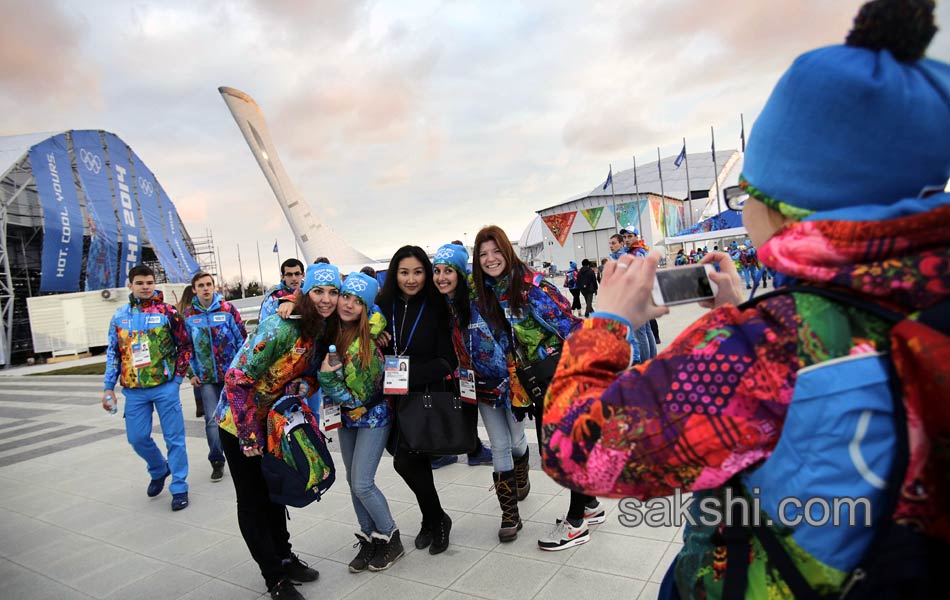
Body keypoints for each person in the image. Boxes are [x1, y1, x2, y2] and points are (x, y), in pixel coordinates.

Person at [543, 2, 949, 597]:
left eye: (748, 188)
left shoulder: (768, 346)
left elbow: (579, 451)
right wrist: (742, 315)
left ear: (784, 199)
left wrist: (607, 323)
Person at [470, 226, 606, 552]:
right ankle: (590, 504)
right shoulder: (494, 290)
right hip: (538, 380)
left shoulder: (530, 288)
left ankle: (576, 525)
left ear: (508, 252)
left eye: (496, 251)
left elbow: (570, 326)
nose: (490, 259)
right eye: (483, 254)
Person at [218, 263, 340, 599]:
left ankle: (284, 557)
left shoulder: (323, 332)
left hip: (276, 424)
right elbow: (236, 379)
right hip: (239, 424)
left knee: (276, 492)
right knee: (254, 499)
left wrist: (302, 385)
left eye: (333, 292)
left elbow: (311, 379)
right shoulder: (280, 327)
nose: (326, 299)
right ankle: (274, 578)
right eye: (318, 291)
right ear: (304, 292)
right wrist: (248, 434)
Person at [433, 242, 528, 542]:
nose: (441, 277)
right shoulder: (442, 307)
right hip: (480, 387)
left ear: (463, 274)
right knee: (499, 445)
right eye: (437, 271)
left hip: (509, 383)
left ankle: (522, 472)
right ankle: (509, 513)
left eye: (449, 271)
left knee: (516, 440)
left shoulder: (483, 298)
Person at [318, 271, 405, 573]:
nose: (349, 304)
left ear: (367, 307)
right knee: (352, 482)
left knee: (363, 482)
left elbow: (366, 386)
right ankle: (369, 538)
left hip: (373, 416)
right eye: (346, 296)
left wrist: (328, 381)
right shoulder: (331, 331)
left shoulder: (372, 336)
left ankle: (391, 535)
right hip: (345, 418)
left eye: (358, 301)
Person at [378, 245, 458, 555]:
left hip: (426, 394)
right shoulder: (382, 307)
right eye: (404, 272)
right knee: (413, 461)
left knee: (407, 460)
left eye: (418, 272)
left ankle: (436, 518)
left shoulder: (436, 307)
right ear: (394, 274)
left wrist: (407, 373)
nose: (411, 279)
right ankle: (433, 518)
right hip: (395, 398)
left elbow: (447, 360)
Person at [101, 265, 193, 511]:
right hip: (134, 389)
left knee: (175, 439)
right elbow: (113, 352)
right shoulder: (119, 316)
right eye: (140, 282)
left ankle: (180, 486)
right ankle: (158, 468)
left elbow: (185, 346)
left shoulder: (168, 312)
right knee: (137, 437)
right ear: (129, 285)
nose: (145, 286)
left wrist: (176, 381)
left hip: (165, 387)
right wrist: (108, 386)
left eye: (149, 282)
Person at [182, 271, 247, 482]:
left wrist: (243, 368)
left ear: (214, 286)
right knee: (212, 420)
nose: (206, 288)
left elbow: (242, 341)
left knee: (238, 417)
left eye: (209, 284)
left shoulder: (228, 310)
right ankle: (217, 460)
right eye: (201, 285)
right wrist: (192, 373)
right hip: (207, 379)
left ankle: (244, 452)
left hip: (231, 376)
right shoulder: (190, 316)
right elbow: (186, 347)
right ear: (194, 289)